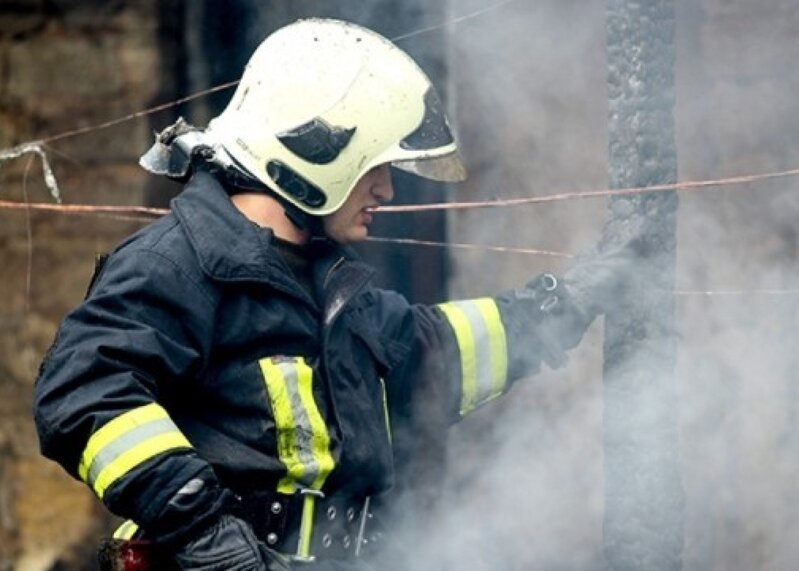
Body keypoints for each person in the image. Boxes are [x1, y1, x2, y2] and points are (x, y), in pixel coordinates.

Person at [33, 18, 625, 571]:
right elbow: (84, 393)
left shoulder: (328, 282)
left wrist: (567, 301)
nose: (387, 189)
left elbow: (430, 357)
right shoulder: (177, 265)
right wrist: (204, 535)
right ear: (316, 150)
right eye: (374, 165)